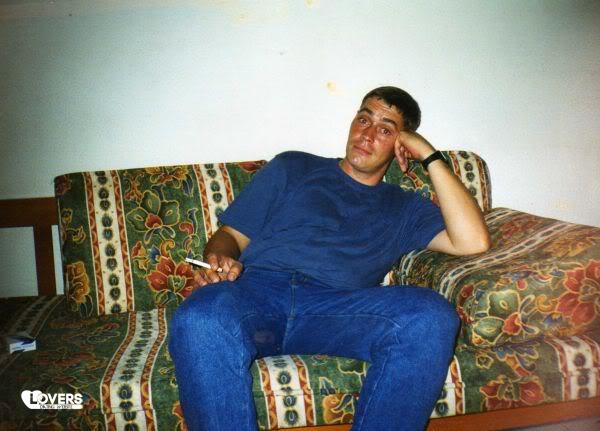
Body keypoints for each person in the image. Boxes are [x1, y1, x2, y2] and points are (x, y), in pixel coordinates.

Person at [168, 86, 491, 431]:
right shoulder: (293, 166)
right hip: (256, 294)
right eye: (363, 119)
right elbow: (231, 236)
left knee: (430, 316)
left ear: (401, 145)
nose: (367, 134)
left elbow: (473, 241)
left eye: (385, 129)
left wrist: (427, 153)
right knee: (200, 316)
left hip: (338, 308)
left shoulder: (405, 207)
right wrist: (219, 258)